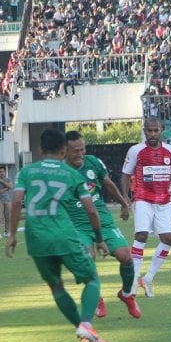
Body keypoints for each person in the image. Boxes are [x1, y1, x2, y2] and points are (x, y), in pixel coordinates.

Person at [5, 128, 109, 342]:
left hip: (35, 238)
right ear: (64, 150)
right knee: (91, 278)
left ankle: (82, 330)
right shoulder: (72, 174)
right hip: (64, 235)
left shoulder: (27, 172)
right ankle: (87, 324)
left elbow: (16, 203)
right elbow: (91, 210)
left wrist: (12, 235)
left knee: (57, 287)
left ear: (41, 149)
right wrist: (99, 238)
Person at [65, 131, 141, 319]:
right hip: (78, 226)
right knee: (88, 258)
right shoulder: (59, 173)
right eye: (75, 151)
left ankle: (125, 294)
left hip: (103, 222)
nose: (80, 154)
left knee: (126, 257)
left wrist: (124, 203)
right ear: (65, 151)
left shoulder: (94, 162)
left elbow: (108, 184)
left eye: (82, 149)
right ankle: (96, 296)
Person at [120, 117, 171, 298]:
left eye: (156, 130)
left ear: (161, 130)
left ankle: (148, 278)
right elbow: (125, 175)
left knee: (168, 238)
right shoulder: (136, 150)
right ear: (144, 131)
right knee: (141, 235)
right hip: (143, 199)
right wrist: (124, 199)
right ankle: (135, 280)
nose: (153, 134)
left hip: (164, 202)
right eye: (149, 130)